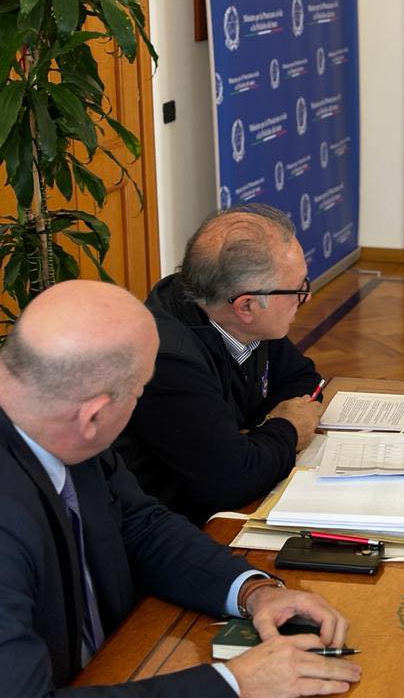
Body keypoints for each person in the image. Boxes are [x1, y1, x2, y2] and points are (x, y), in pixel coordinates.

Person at [0, 280, 360, 697]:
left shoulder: (54, 421)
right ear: (93, 416)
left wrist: (253, 591)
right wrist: (236, 683)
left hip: (119, 660)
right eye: (138, 393)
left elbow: (140, 525)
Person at [118, 204, 323, 524]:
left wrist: (252, 442)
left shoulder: (243, 317)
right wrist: (287, 429)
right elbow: (230, 481)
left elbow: (303, 379)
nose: (306, 297)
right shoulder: (168, 363)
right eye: (298, 289)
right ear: (246, 306)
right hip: (174, 525)